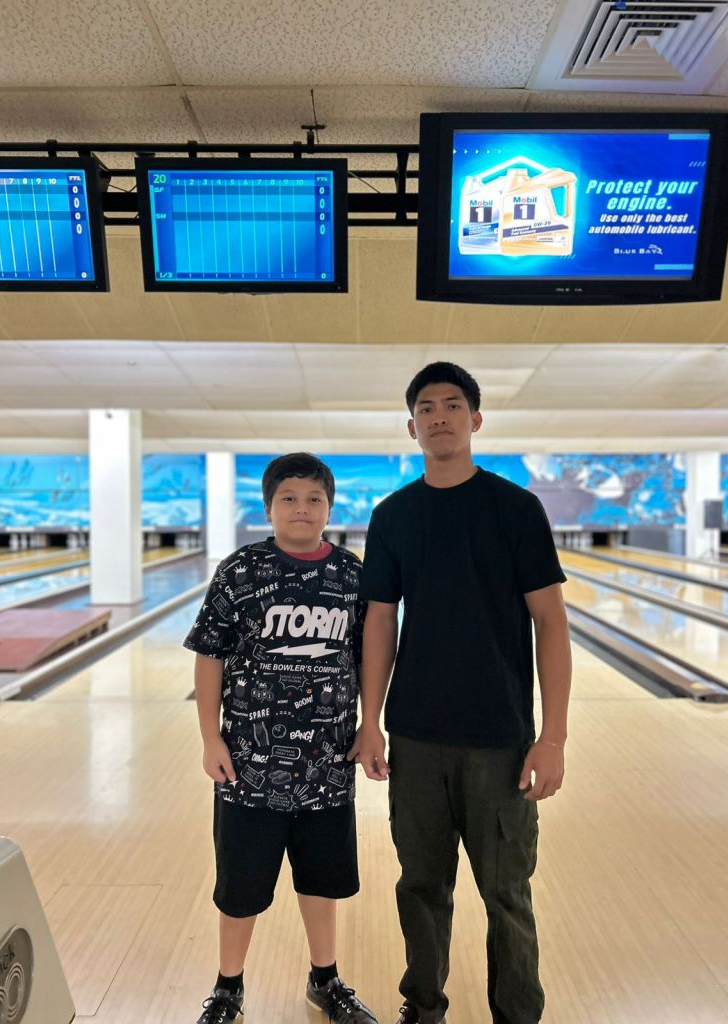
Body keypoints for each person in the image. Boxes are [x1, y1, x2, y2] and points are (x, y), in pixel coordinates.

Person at [350, 363, 571, 1024]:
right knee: (420, 886)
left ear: (474, 420)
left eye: (452, 405)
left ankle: (518, 1015)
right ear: (411, 426)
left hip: (500, 739)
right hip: (416, 737)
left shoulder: (515, 509)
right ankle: (423, 1009)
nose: (439, 416)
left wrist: (553, 737)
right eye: (426, 407)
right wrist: (370, 721)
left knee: (507, 893)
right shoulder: (393, 515)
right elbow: (380, 620)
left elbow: (550, 621)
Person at [184, 453, 378, 1024]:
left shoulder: (351, 574)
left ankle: (326, 979)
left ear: (329, 509)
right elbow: (209, 656)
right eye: (289, 498)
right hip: (248, 764)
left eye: (314, 499)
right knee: (240, 886)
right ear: (268, 507)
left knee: (322, 880)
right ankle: (228, 987)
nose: (301, 508)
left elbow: (368, 657)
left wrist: (371, 724)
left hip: (328, 764)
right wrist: (210, 738)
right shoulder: (240, 570)